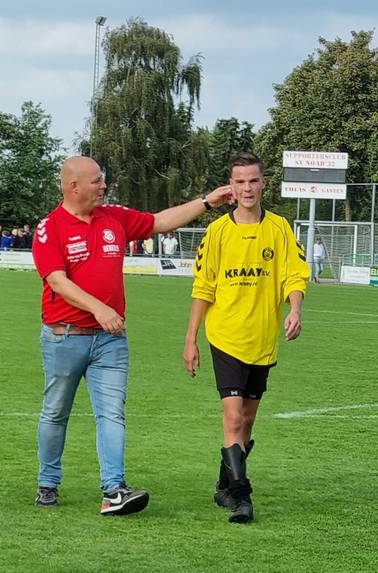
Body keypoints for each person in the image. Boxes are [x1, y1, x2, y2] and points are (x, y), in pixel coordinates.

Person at [32, 156, 233, 515]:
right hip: (65, 337)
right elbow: (57, 281)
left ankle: (114, 489)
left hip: (111, 340)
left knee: (112, 413)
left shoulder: (114, 218)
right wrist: (99, 308)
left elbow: (159, 221)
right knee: (56, 412)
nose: (103, 186)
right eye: (96, 181)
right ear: (73, 186)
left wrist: (206, 202)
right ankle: (48, 483)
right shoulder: (50, 228)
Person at [184, 152, 308, 524]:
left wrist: (295, 309)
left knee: (248, 419)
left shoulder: (280, 229)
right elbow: (203, 287)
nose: (247, 188)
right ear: (231, 187)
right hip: (224, 335)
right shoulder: (218, 232)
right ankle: (241, 498)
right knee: (234, 418)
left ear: (263, 183)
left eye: (253, 180)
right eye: (239, 181)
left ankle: (224, 484)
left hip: (262, 337)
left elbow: (294, 274)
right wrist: (191, 339)